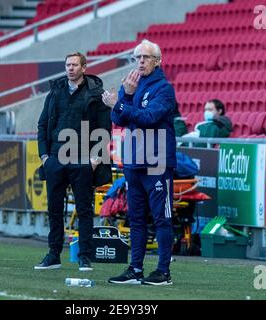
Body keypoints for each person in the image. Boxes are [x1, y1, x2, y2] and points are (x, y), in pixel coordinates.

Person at [102, 39, 177, 285]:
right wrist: (125, 98)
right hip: (133, 162)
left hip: (157, 163)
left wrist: (123, 101)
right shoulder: (131, 85)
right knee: (135, 219)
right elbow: (117, 117)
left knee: (161, 218)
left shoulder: (164, 89)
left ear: (157, 61)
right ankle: (135, 269)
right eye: (137, 58)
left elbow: (149, 117)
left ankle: (163, 271)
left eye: (145, 57)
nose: (140, 62)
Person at [35, 52, 111, 271]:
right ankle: (53, 255)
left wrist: (95, 159)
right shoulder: (55, 92)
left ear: (84, 67)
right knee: (54, 209)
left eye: (75, 65)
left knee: (84, 210)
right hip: (56, 159)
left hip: (83, 160)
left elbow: (104, 128)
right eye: (67, 65)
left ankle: (85, 256)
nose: (70, 68)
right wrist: (45, 156)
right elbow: (42, 125)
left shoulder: (96, 94)